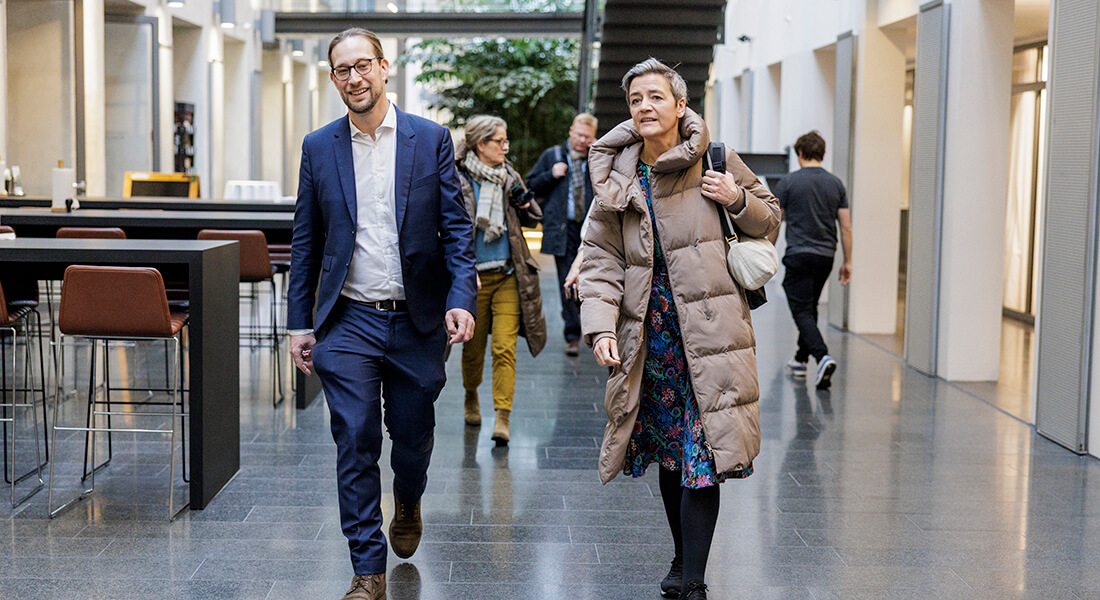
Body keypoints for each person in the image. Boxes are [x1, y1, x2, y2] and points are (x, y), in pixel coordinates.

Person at [286, 28, 477, 600]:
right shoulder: (319, 147)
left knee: (412, 436)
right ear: (333, 78)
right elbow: (306, 242)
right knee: (356, 436)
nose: (354, 78)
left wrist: (460, 299)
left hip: (418, 319)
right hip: (348, 320)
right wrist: (301, 323)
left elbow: (457, 230)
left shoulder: (430, 138)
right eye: (342, 70)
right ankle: (367, 572)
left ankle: (410, 496)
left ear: (384, 66)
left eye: (363, 65)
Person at [579, 58, 780, 600]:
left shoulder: (716, 159)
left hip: (712, 333)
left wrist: (735, 198)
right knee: (674, 452)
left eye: (655, 97)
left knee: (703, 453)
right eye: (636, 99)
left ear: (680, 105)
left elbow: (771, 216)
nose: (645, 107)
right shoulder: (618, 177)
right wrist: (600, 328)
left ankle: (693, 579)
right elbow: (599, 258)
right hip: (651, 338)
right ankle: (682, 554)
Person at [456, 115, 547, 445]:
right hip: (472, 279)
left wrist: (522, 199)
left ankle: (502, 417)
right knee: (473, 350)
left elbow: (534, 217)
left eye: (506, 141)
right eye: (500, 141)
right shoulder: (457, 177)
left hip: (509, 274)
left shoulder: (509, 175)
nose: (506, 147)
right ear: (481, 145)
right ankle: (470, 394)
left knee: (505, 348)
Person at [772, 130, 852, 389]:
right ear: (821, 154)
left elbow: (775, 219)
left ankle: (822, 356)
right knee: (810, 307)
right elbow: (846, 226)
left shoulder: (788, 182)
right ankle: (800, 360)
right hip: (826, 256)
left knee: (801, 308)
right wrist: (847, 261)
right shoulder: (836, 184)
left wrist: (768, 250)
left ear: (800, 154)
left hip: (798, 254)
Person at [525, 113, 598, 356]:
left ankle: (593, 328)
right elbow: (530, 184)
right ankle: (572, 334)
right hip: (562, 229)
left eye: (587, 137)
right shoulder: (553, 156)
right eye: (578, 135)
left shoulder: (598, 157)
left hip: (592, 231)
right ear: (570, 131)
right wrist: (551, 174)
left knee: (591, 280)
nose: (581, 141)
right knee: (566, 281)